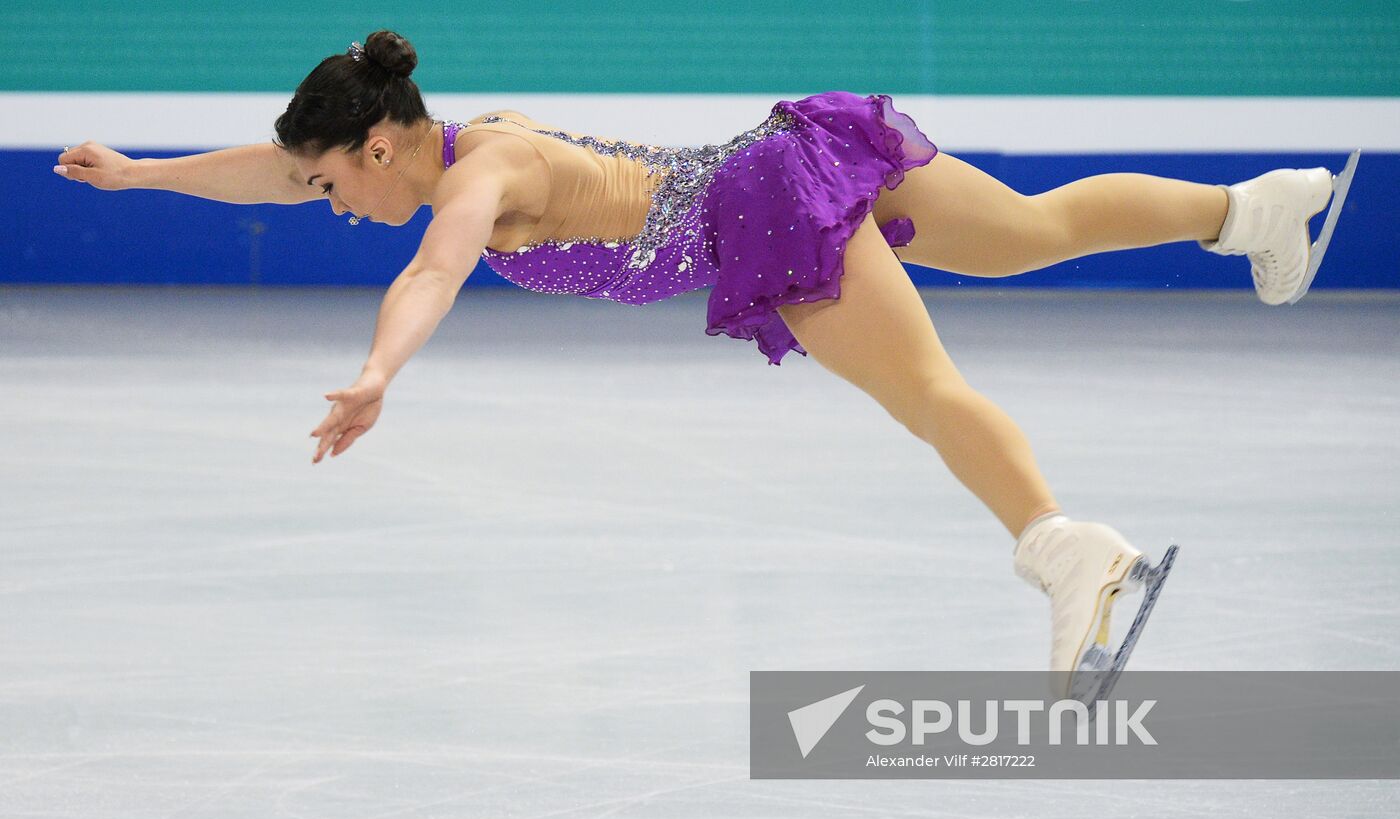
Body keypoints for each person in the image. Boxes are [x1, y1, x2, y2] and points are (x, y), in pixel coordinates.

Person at [52, 30, 1352, 702]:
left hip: (762, 209)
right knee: (1037, 229)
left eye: (336, 183)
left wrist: (381, 370)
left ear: (383, 150)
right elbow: (271, 170)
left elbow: (432, 269)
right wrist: (140, 173)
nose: (327, 200)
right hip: (793, 152)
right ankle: (1256, 210)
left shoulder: (483, 175)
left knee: (926, 392)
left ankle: (1077, 554)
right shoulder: (436, 143)